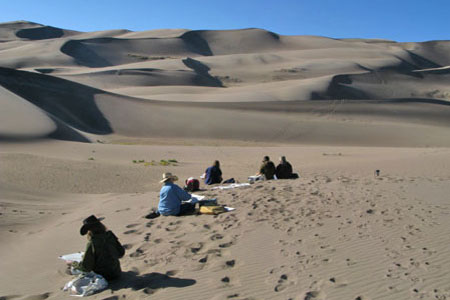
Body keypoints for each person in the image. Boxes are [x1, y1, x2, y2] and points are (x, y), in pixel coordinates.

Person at [71, 215, 125, 280]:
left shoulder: (93, 243)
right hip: (116, 272)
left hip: (103, 276)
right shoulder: (110, 235)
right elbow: (121, 253)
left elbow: (86, 267)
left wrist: (73, 263)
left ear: (89, 231)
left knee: (74, 269)